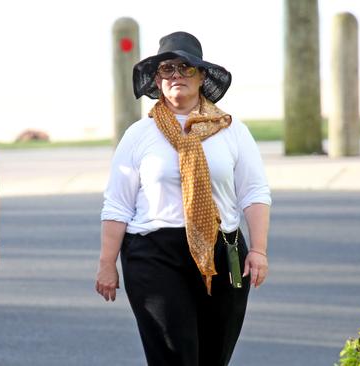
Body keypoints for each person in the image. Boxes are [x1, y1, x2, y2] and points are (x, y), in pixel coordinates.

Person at [95, 31, 271, 365]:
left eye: (186, 67)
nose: (176, 75)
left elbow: (254, 192)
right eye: (167, 69)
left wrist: (259, 250)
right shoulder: (139, 135)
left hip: (223, 250)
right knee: (174, 356)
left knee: (213, 356)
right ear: (157, 80)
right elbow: (117, 203)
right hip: (154, 253)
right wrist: (107, 263)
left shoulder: (232, 130)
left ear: (202, 76)